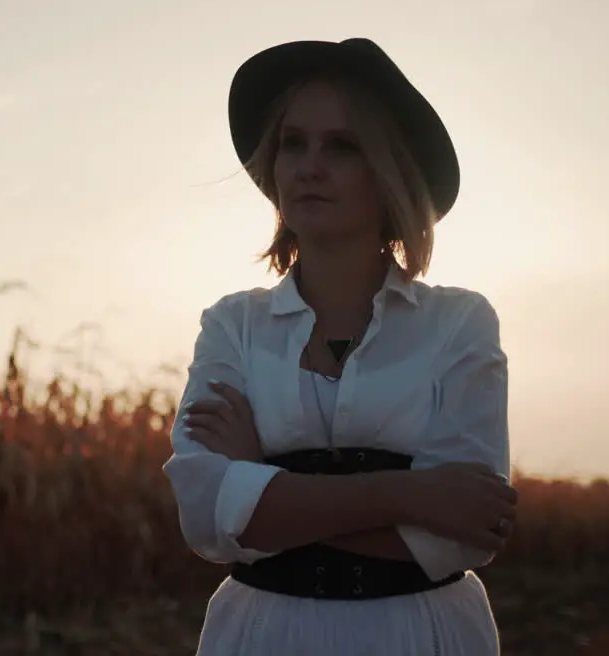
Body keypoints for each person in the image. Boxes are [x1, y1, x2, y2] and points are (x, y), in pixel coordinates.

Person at [162, 38, 518, 655]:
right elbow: (206, 516)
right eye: (293, 143)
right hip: (262, 635)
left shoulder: (459, 323)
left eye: (343, 146)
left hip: (421, 635)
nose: (309, 165)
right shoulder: (231, 326)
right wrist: (409, 494)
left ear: (390, 172)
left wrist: (266, 485)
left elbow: (466, 533)